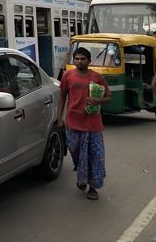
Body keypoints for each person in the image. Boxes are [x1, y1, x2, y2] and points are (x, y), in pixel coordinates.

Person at [57, 47, 111, 201]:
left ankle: (93, 187)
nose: (79, 62)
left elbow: (108, 97)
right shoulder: (68, 76)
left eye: (83, 59)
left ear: (89, 61)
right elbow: (62, 97)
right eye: (77, 59)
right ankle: (82, 176)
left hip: (93, 125)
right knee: (76, 152)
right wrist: (59, 117)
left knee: (96, 156)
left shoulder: (97, 78)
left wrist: (97, 101)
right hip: (73, 123)